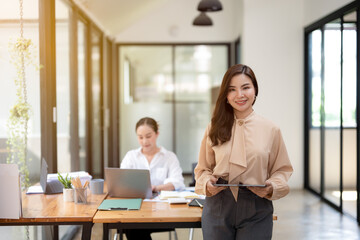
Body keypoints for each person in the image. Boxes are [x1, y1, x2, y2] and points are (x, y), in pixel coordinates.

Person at [194, 64, 293, 240]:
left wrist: (271, 187)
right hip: (218, 204)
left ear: (255, 89)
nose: (239, 95)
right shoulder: (213, 128)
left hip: (257, 204)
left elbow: (282, 170)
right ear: (226, 95)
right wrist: (207, 183)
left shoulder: (271, 129)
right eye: (232, 90)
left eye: (245, 87)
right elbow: (203, 169)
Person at [120, 117, 185, 240]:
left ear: (157, 134)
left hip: (162, 212)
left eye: (148, 136)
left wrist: (156, 187)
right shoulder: (131, 156)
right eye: (140, 137)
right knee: (132, 225)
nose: (145, 141)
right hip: (136, 209)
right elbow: (122, 180)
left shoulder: (169, 157)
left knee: (133, 227)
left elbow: (178, 182)